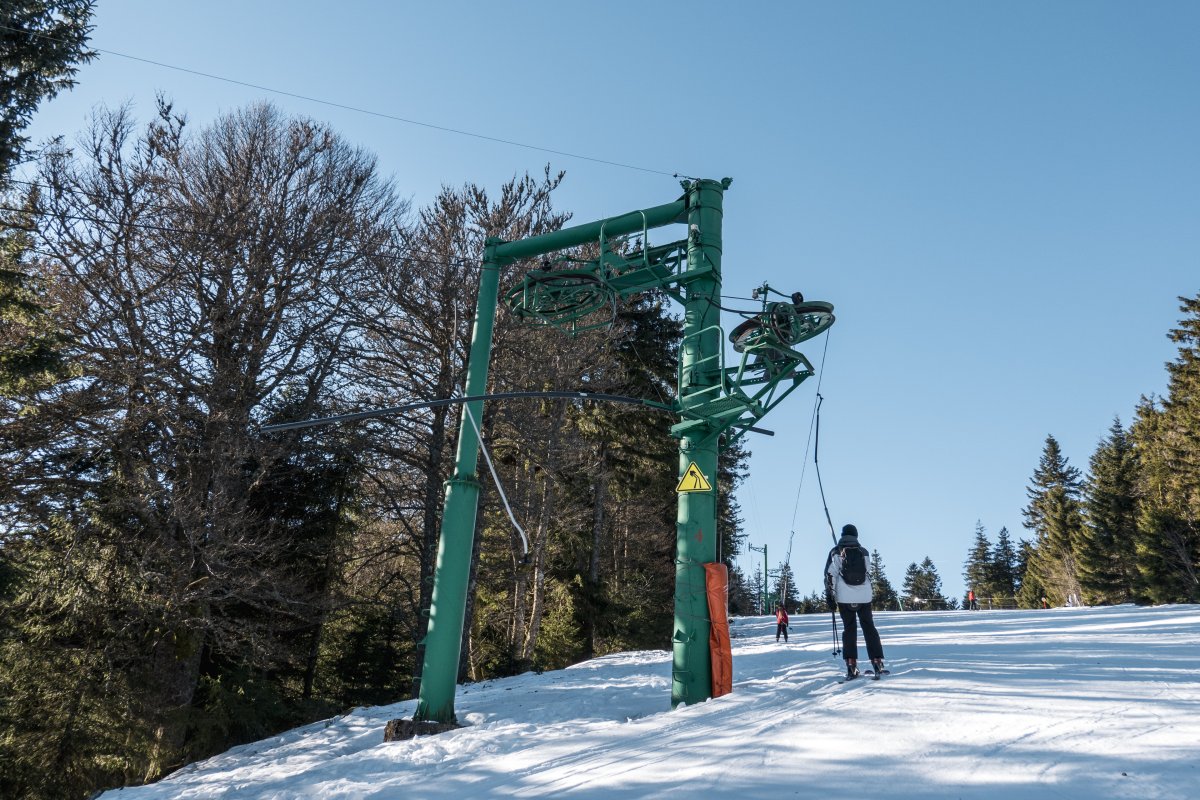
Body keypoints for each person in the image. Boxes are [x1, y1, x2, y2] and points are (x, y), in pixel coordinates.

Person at [825, 523, 885, 680]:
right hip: (864, 596)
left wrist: (830, 596)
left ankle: (852, 666)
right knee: (869, 628)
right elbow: (868, 571)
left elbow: (830, 575)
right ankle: (877, 661)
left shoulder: (836, 551)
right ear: (856, 535)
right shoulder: (863, 551)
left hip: (844, 598)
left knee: (849, 630)